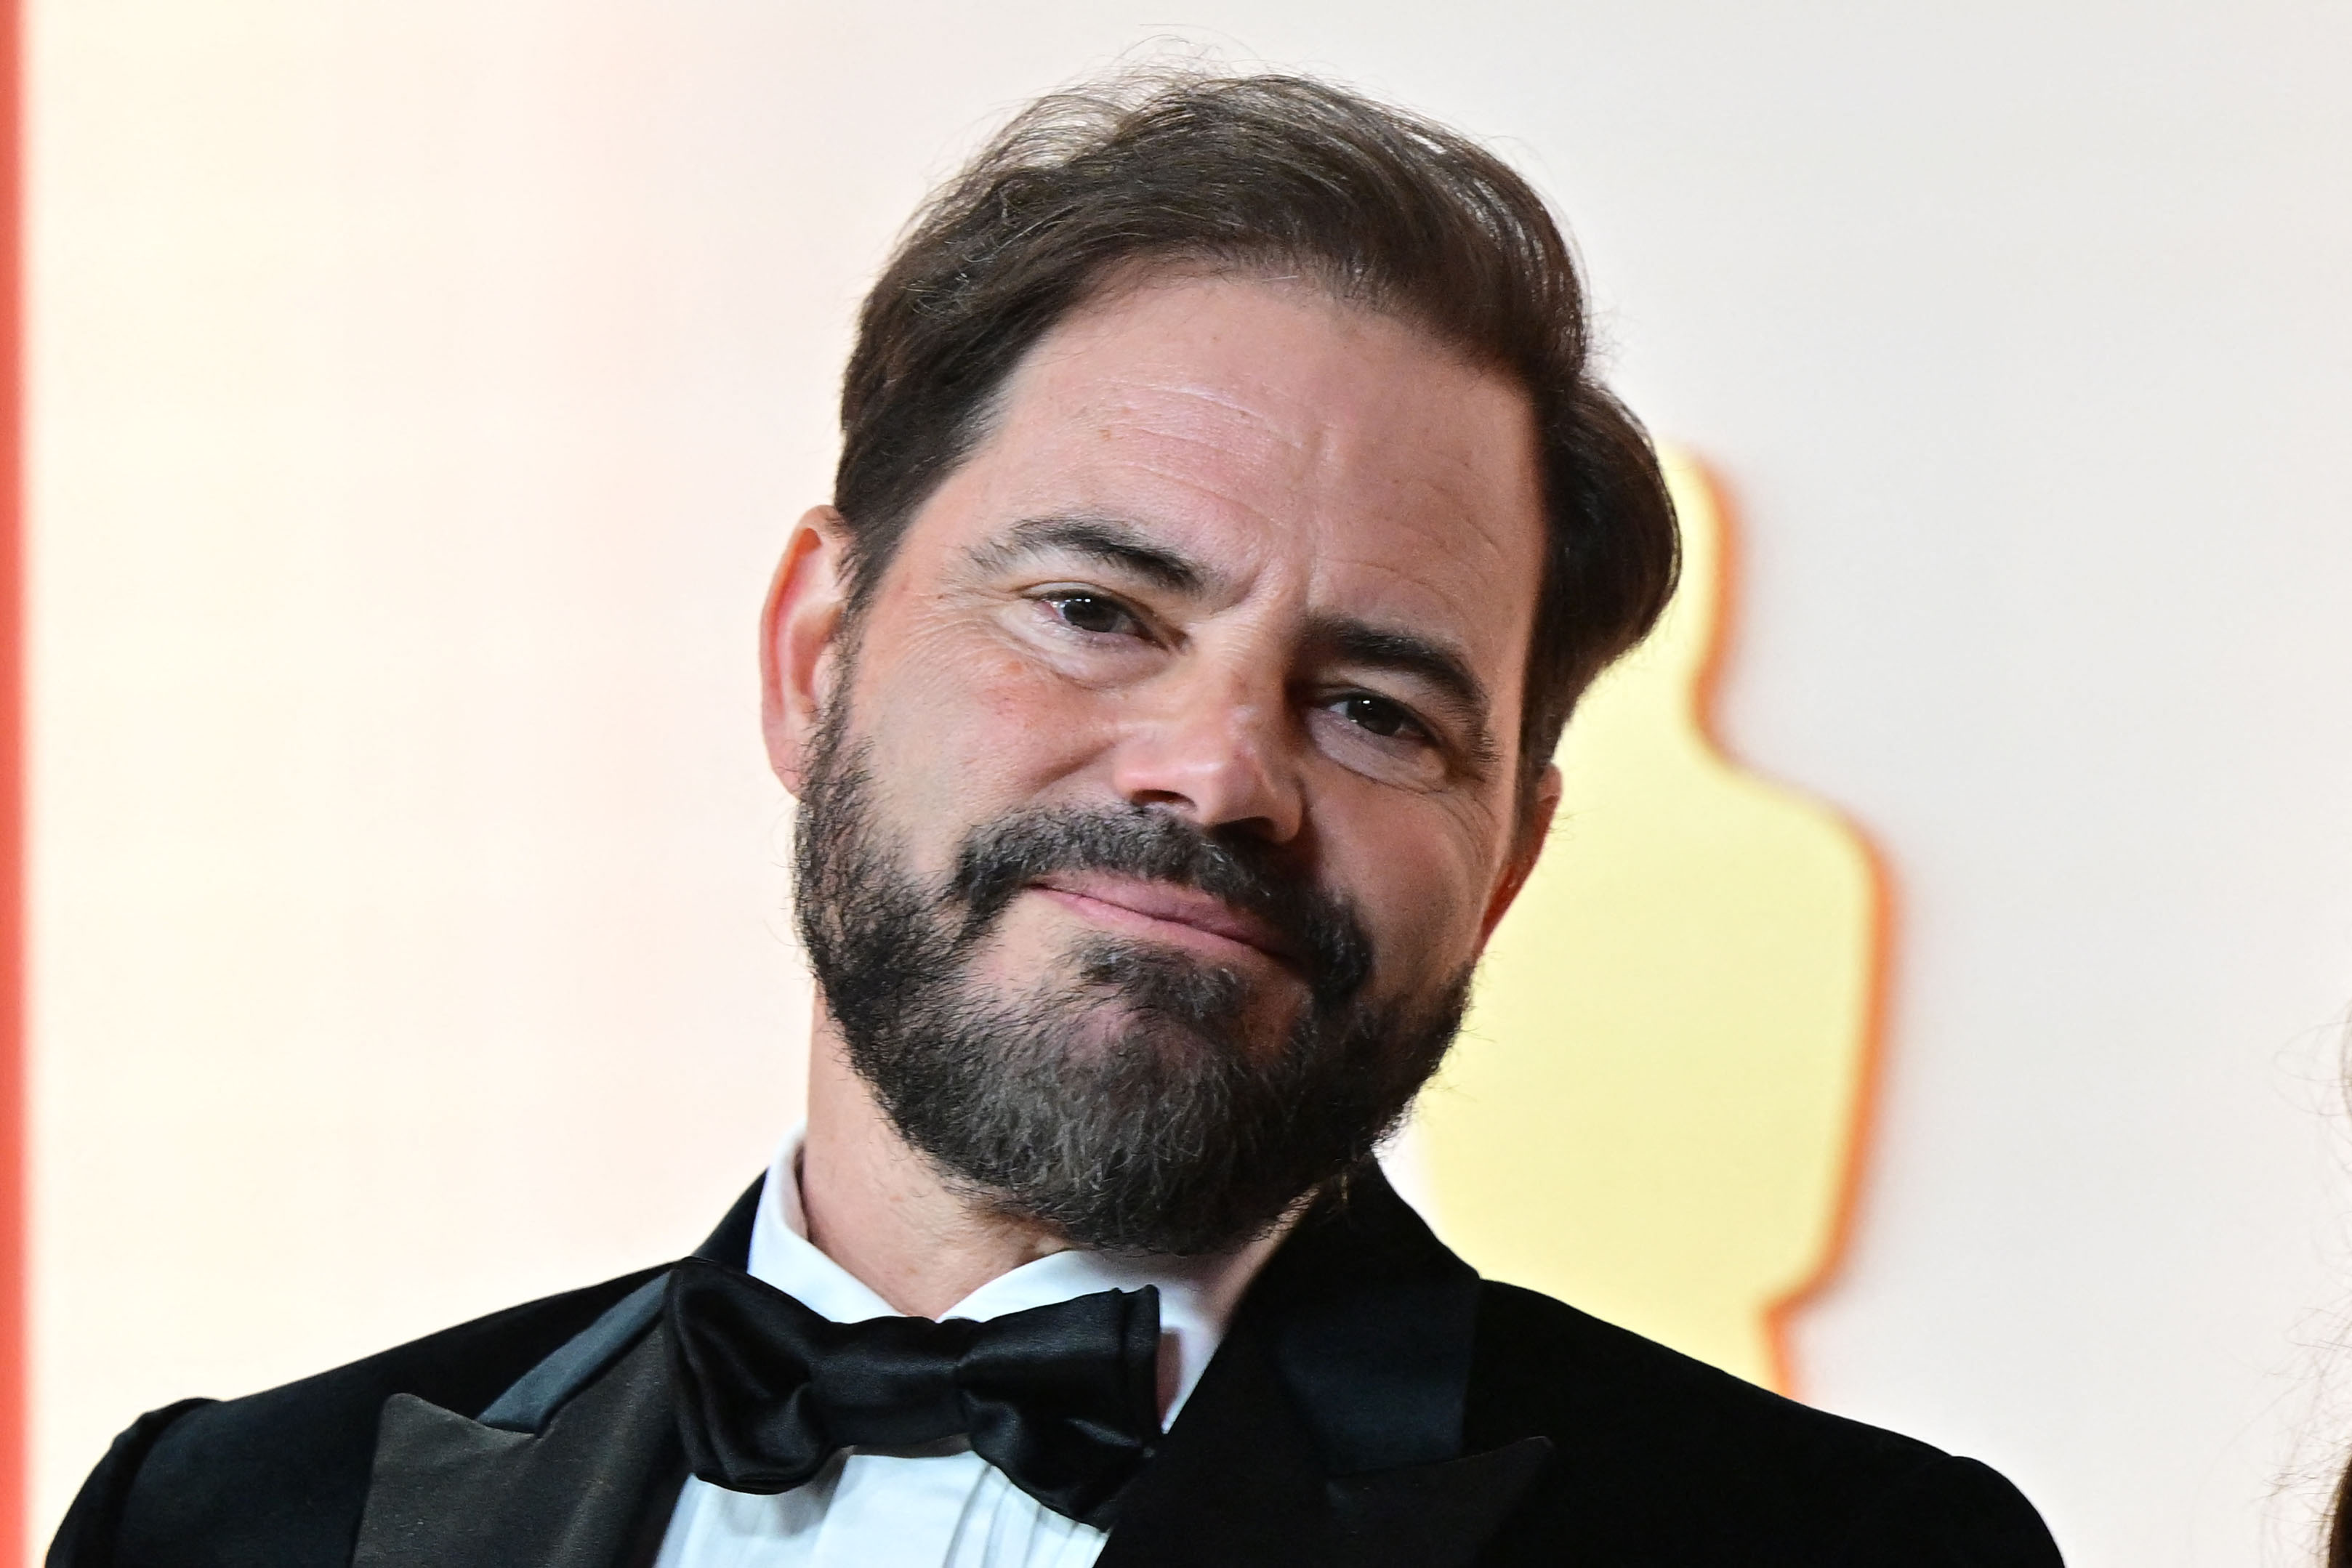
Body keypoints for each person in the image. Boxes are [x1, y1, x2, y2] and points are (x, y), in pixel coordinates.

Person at [49, 69, 2064, 1567]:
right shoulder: (219, 1520)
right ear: (814, 654)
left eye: (1373, 708)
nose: (1214, 771)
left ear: (1509, 861)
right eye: (1095, 613)